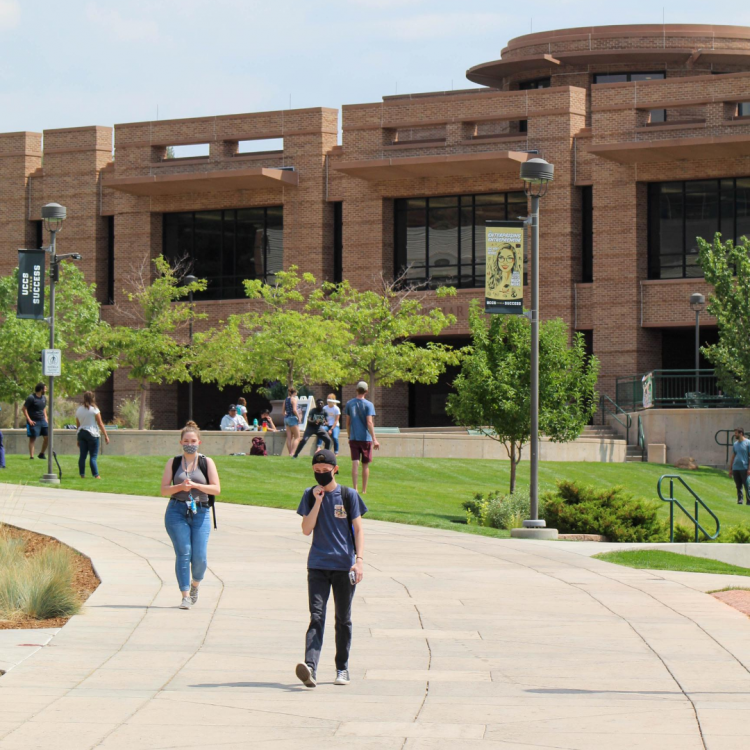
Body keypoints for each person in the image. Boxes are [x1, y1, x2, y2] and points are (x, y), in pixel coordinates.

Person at [295, 449, 366, 688]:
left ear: (335, 469)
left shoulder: (348, 495)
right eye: (317, 471)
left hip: (344, 566)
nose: (321, 475)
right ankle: (310, 668)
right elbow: (306, 529)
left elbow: (358, 529)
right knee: (317, 616)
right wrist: (317, 501)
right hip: (318, 565)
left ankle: (342, 667)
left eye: (325, 471)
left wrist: (360, 560)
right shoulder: (309, 494)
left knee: (342, 619)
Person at [161, 421, 221, 609]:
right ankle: (185, 595)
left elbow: (216, 489)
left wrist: (196, 486)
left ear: (199, 442)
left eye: (193, 440)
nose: (190, 443)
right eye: (186, 440)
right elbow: (164, 490)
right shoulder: (174, 462)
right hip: (176, 511)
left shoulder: (206, 462)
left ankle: (195, 584)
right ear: (181, 442)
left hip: (201, 511)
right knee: (184, 552)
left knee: (200, 557)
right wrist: (180, 487)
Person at [344, 381, 379, 494]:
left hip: (354, 438)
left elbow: (348, 423)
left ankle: (355, 489)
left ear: (356, 390)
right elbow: (369, 422)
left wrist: (349, 435)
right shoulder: (369, 405)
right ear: (366, 391)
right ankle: (364, 490)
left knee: (355, 463)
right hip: (366, 439)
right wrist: (374, 439)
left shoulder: (349, 403)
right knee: (365, 464)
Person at [75, 391, 110, 479]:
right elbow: (100, 423)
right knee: (93, 456)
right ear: (93, 398)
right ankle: (96, 475)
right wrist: (106, 435)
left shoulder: (79, 409)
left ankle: (82, 474)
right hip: (92, 433)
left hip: (81, 433)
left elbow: (78, 425)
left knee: (82, 455)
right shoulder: (94, 409)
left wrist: (78, 439)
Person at [22, 382, 49, 460]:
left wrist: (46, 418)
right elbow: (24, 408)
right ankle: (32, 457)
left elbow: (43, 408)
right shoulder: (31, 398)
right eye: (45, 388)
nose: (46, 390)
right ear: (41, 389)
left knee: (47, 438)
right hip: (33, 421)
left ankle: (41, 454)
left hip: (42, 421)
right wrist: (29, 419)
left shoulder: (44, 398)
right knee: (33, 438)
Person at [728, 427, 750, 505]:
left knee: (747, 485)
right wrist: (730, 469)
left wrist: (749, 469)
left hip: (744, 467)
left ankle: (749, 501)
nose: (735, 435)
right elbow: (733, 456)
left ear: (741, 433)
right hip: (736, 468)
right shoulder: (735, 444)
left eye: (736, 433)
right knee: (738, 485)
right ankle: (740, 500)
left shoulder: (748, 443)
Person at [284, 387, 303, 456]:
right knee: (297, 437)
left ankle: (290, 453)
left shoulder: (285, 400)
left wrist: (287, 415)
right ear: (294, 393)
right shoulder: (294, 399)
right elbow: (294, 410)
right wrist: (299, 417)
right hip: (292, 418)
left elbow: (283, 412)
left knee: (289, 438)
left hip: (286, 419)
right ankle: (292, 453)